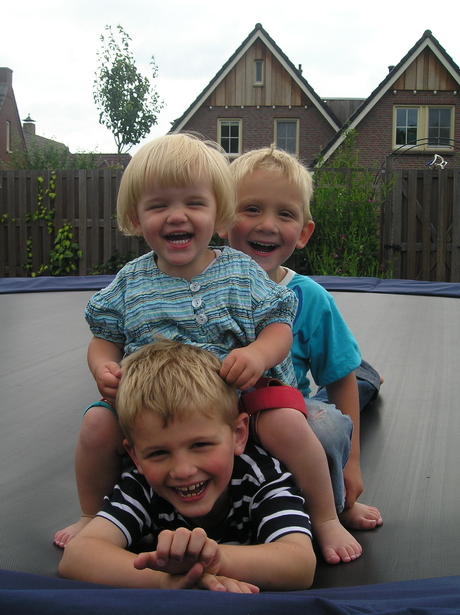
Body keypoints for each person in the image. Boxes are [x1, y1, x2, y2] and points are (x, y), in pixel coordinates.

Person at [54, 133, 301, 550]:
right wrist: (103, 367)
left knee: (289, 423)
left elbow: (279, 324)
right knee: (96, 424)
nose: (176, 216)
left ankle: (326, 513)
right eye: (158, 206)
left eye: (193, 203)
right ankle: (90, 513)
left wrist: (258, 354)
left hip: (236, 400)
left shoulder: (241, 271)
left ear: (218, 212)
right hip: (156, 409)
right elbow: (104, 338)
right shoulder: (131, 280)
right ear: (135, 219)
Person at [58, 339, 316, 592]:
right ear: (135, 457)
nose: (182, 470)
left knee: (328, 431)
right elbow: (77, 556)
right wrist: (162, 581)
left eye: (200, 445)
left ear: (238, 434)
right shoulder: (143, 486)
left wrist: (216, 560)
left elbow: (300, 562)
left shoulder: (259, 477)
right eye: (158, 453)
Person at [223, 145, 383, 545]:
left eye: (285, 214)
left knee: (330, 419)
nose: (267, 225)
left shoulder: (307, 297)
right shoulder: (200, 287)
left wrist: (353, 465)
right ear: (222, 219)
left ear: (304, 232)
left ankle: (335, 506)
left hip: (286, 414)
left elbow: (338, 375)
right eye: (252, 209)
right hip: (218, 416)